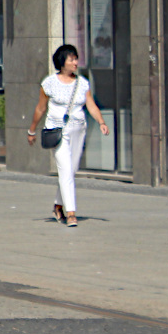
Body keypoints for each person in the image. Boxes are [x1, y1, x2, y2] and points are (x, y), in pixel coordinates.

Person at [26, 43, 110, 228]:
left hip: (78, 129)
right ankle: (71, 213)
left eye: (76, 58)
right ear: (62, 62)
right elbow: (40, 108)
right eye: (71, 59)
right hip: (57, 131)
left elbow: (91, 105)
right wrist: (32, 130)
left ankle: (58, 205)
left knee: (70, 171)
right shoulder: (49, 83)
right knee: (65, 169)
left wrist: (102, 122)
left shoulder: (82, 83)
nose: (75, 62)